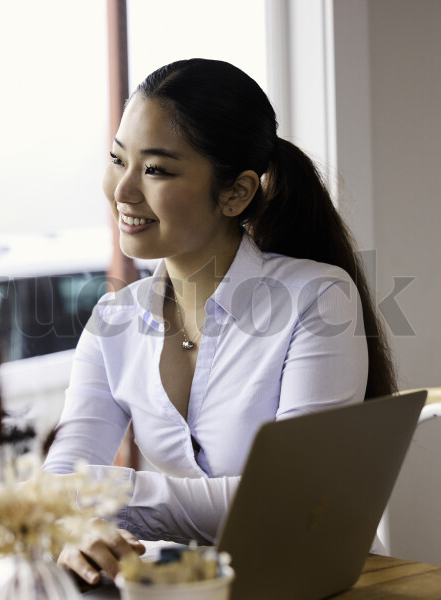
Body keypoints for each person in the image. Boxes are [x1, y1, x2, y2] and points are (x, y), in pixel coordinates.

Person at [43, 58, 396, 585]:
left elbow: (289, 501)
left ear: (236, 193)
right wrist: (74, 527)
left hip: (315, 584)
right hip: (187, 585)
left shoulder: (317, 297)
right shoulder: (114, 318)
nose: (123, 191)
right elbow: (59, 481)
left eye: (157, 169)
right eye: (118, 160)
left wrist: (106, 493)